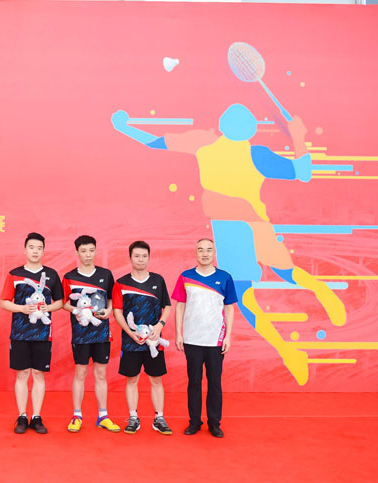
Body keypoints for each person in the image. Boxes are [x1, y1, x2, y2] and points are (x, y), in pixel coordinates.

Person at [112, 105, 343, 385]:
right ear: (251, 129)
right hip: (246, 225)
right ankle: (311, 308)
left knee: (250, 295)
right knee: (278, 277)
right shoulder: (254, 153)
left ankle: (292, 344)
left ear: (222, 125)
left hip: (237, 226)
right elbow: (303, 172)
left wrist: (123, 127)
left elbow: (154, 141)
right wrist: (298, 136)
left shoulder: (207, 144)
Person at [173, 238, 237, 438]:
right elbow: (180, 306)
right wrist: (178, 333)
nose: (205, 254)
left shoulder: (225, 277)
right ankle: (194, 422)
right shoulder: (186, 276)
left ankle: (214, 423)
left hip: (215, 339)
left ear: (214, 253)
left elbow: (229, 307)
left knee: (215, 382)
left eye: (209, 250)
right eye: (201, 250)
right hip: (192, 338)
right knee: (194, 381)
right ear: (196, 253)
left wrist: (228, 336)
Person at [0, 232, 63, 434]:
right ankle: (22, 416)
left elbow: (60, 302)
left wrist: (48, 308)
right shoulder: (14, 274)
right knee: (22, 374)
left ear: (44, 251)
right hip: (19, 333)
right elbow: (4, 302)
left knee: (38, 374)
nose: (35, 251)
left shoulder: (51, 275)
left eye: (39, 248)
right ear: (25, 249)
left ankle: (36, 416)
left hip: (43, 333)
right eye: (31, 247)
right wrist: (21, 308)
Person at [112, 240, 172, 435]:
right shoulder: (121, 283)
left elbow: (167, 306)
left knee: (156, 379)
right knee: (132, 380)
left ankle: (159, 418)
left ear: (149, 257)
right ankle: (133, 418)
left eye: (144, 256)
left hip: (154, 341)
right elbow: (117, 311)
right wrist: (130, 333)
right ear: (130, 258)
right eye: (137, 256)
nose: (140, 259)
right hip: (131, 342)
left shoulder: (158, 280)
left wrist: (159, 326)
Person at [61, 235, 120, 433]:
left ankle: (103, 416)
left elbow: (111, 299)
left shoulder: (105, 274)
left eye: (91, 250)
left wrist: (109, 310)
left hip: (102, 333)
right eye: (84, 251)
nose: (88, 255)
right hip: (80, 334)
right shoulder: (69, 277)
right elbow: (63, 303)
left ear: (95, 251)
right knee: (80, 373)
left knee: (101, 375)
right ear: (77, 253)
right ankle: (77, 415)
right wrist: (77, 310)